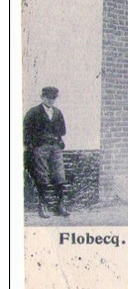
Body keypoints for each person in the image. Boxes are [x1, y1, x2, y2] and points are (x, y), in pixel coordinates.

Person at [24, 86, 69, 218]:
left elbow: (63, 130)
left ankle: (60, 205)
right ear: (42, 97)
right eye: (48, 97)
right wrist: (32, 145)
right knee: (42, 174)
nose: (50, 100)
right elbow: (26, 131)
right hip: (40, 147)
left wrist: (57, 139)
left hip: (55, 146)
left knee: (59, 174)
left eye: (53, 98)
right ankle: (43, 205)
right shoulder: (33, 112)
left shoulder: (57, 113)